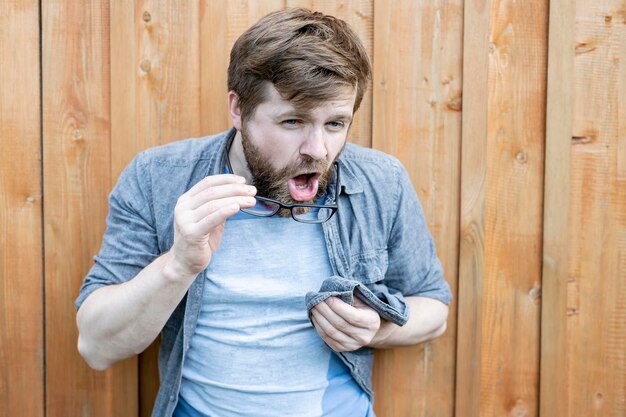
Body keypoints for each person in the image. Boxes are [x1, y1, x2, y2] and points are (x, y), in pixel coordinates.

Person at [75, 8, 451, 417]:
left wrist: (378, 329)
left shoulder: (381, 181)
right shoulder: (157, 178)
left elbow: (434, 310)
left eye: (335, 124)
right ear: (238, 109)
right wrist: (178, 265)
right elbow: (97, 347)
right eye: (292, 121)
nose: (318, 150)